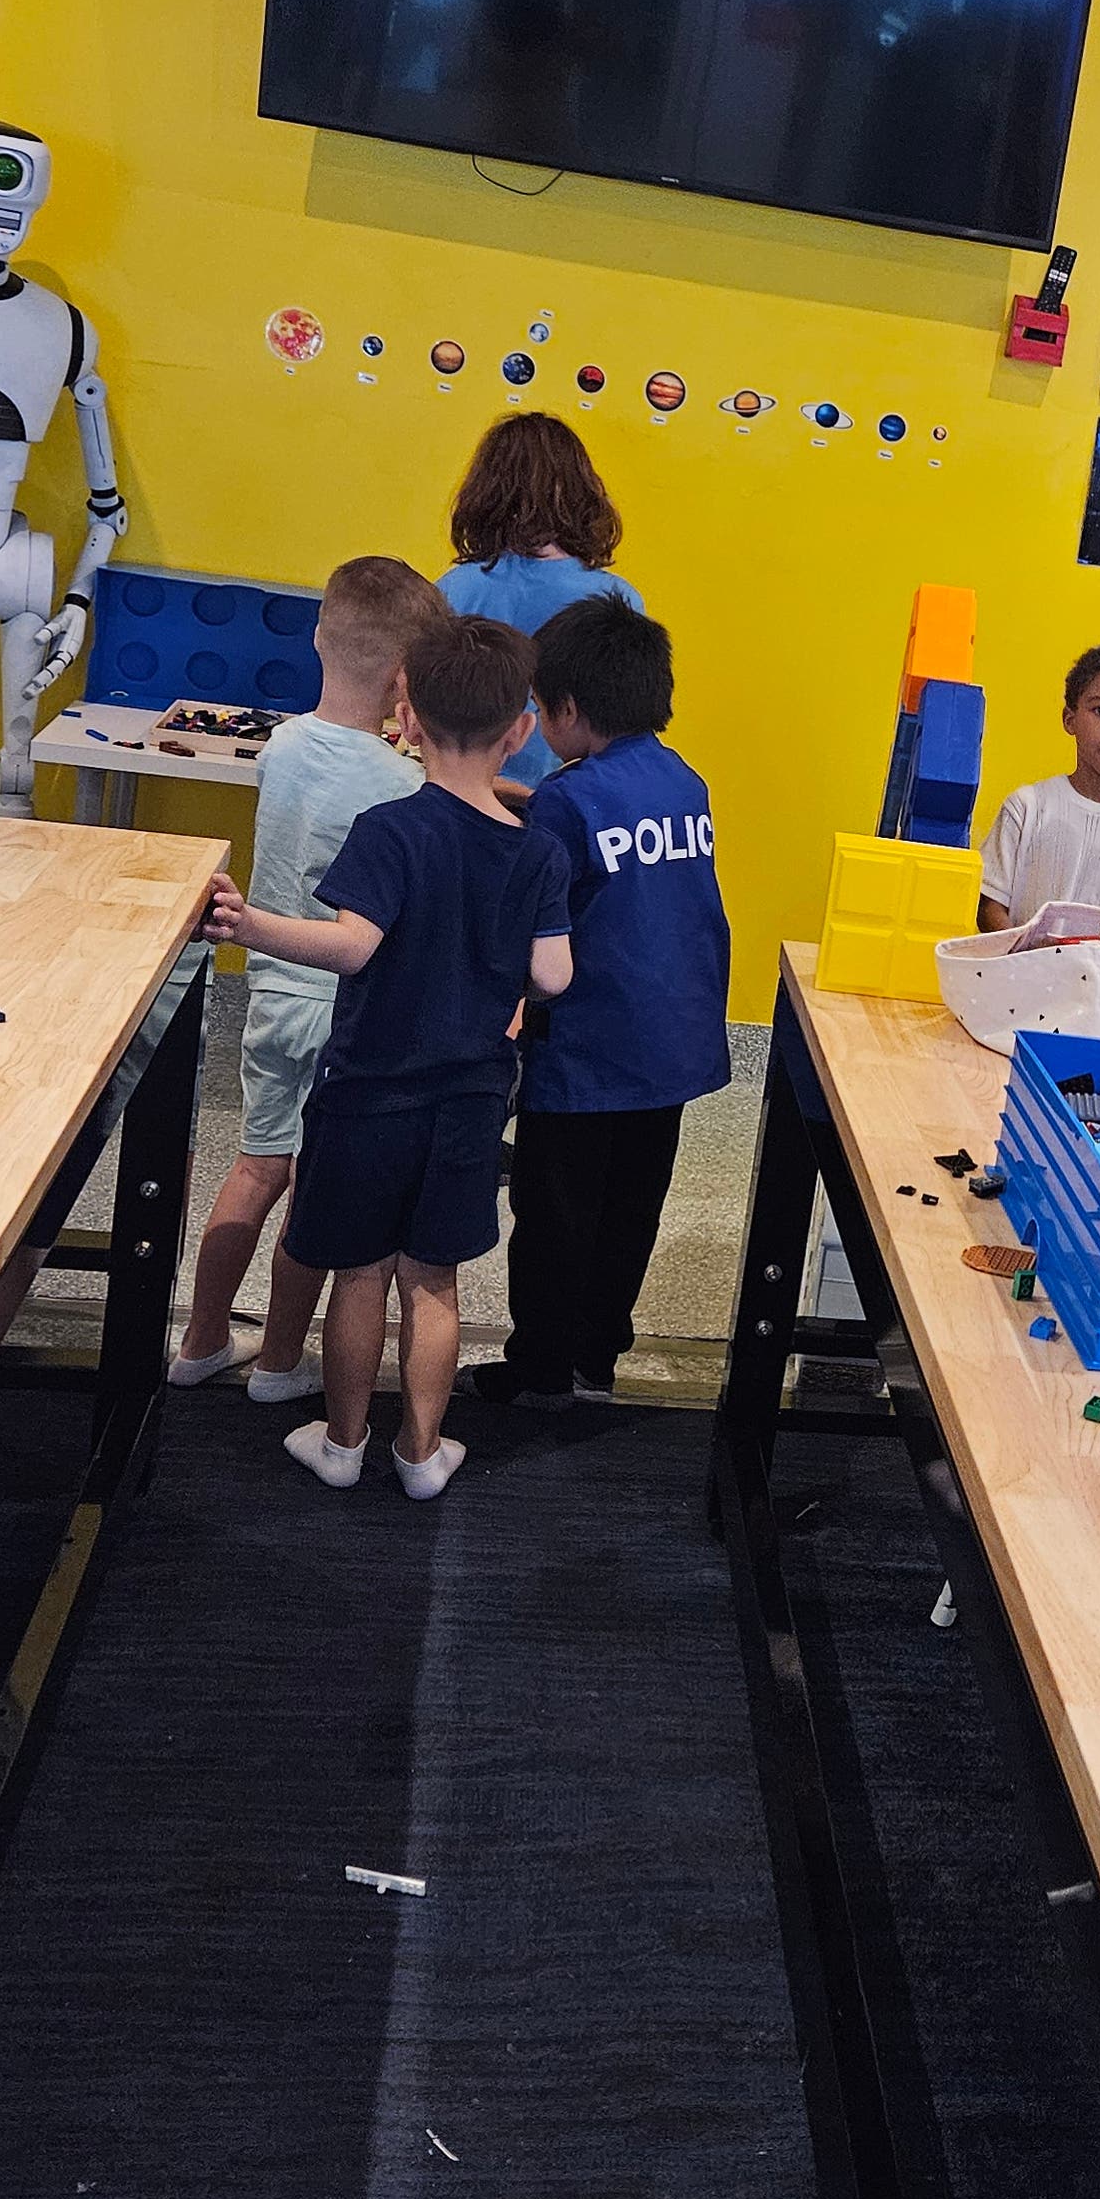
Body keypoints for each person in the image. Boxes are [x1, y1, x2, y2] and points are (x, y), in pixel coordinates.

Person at [202, 615, 573, 1501]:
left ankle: (340, 1441)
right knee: (433, 1281)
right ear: (520, 730)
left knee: (360, 1273)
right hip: (472, 1099)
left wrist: (249, 923)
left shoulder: (388, 829)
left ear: (404, 717)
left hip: (368, 1094)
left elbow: (353, 946)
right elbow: (553, 973)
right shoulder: (539, 851)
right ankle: (422, 1452)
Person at [168, 554, 447, 1402]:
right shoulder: (404, 783)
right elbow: (437, 810)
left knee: (255, 1166)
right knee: (314, 1197)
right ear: (409, 681)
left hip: (270, 994)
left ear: (320, 639)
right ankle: (282, 1362)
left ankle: (202, 1340)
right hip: (344, 1014)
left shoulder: (283, 745)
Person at [476, 596, 731, 1410]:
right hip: (672, 1045)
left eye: (541, 709)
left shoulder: (565, 798)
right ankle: (596, 1360)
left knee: (553, 1214)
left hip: (586, 1054)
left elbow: (540, 910)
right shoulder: (684, 779)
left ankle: (540, 1367)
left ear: (571, 709)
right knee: (630, 1210)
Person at [437, 411, 642, 790]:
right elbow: (624, 735)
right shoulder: (619, 600)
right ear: (582, 491)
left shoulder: (454, 588)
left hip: (465, 794)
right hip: (573, 803)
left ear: (485, 492)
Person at [976, 638, 1100, 931]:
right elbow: (988, 904)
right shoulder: (1027, 807)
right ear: (1069, 719)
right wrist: (1024, 956)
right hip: (1020, 971)